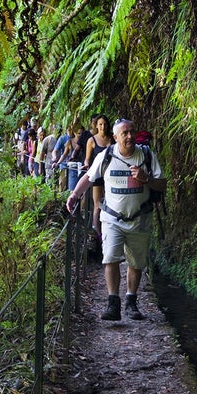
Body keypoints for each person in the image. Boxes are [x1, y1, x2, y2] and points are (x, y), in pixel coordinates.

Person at [66, 118, 166, 321]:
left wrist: (146, 179)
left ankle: (131, 300)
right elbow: (89, 177)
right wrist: (74, 195)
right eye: (125, 133)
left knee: (136, 263)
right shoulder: (106, 156)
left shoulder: (146, 155)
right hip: (112, 219)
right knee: (110, 258)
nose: (129, 136)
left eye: (132, 132)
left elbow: (162, 185)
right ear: (115, 137)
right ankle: (113, 304)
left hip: (140, 219)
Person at [83, 115, 114, 237]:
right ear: (96, 125)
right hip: (97, 175)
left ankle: (109, 228)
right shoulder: (92, 140)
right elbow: (87, 159)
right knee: (97, 203)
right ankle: (96, 230)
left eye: (105, 124)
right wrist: (86, 166)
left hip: (111, 175)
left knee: (110, 201)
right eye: (100, 124)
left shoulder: (113, 139)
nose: (103, 127)